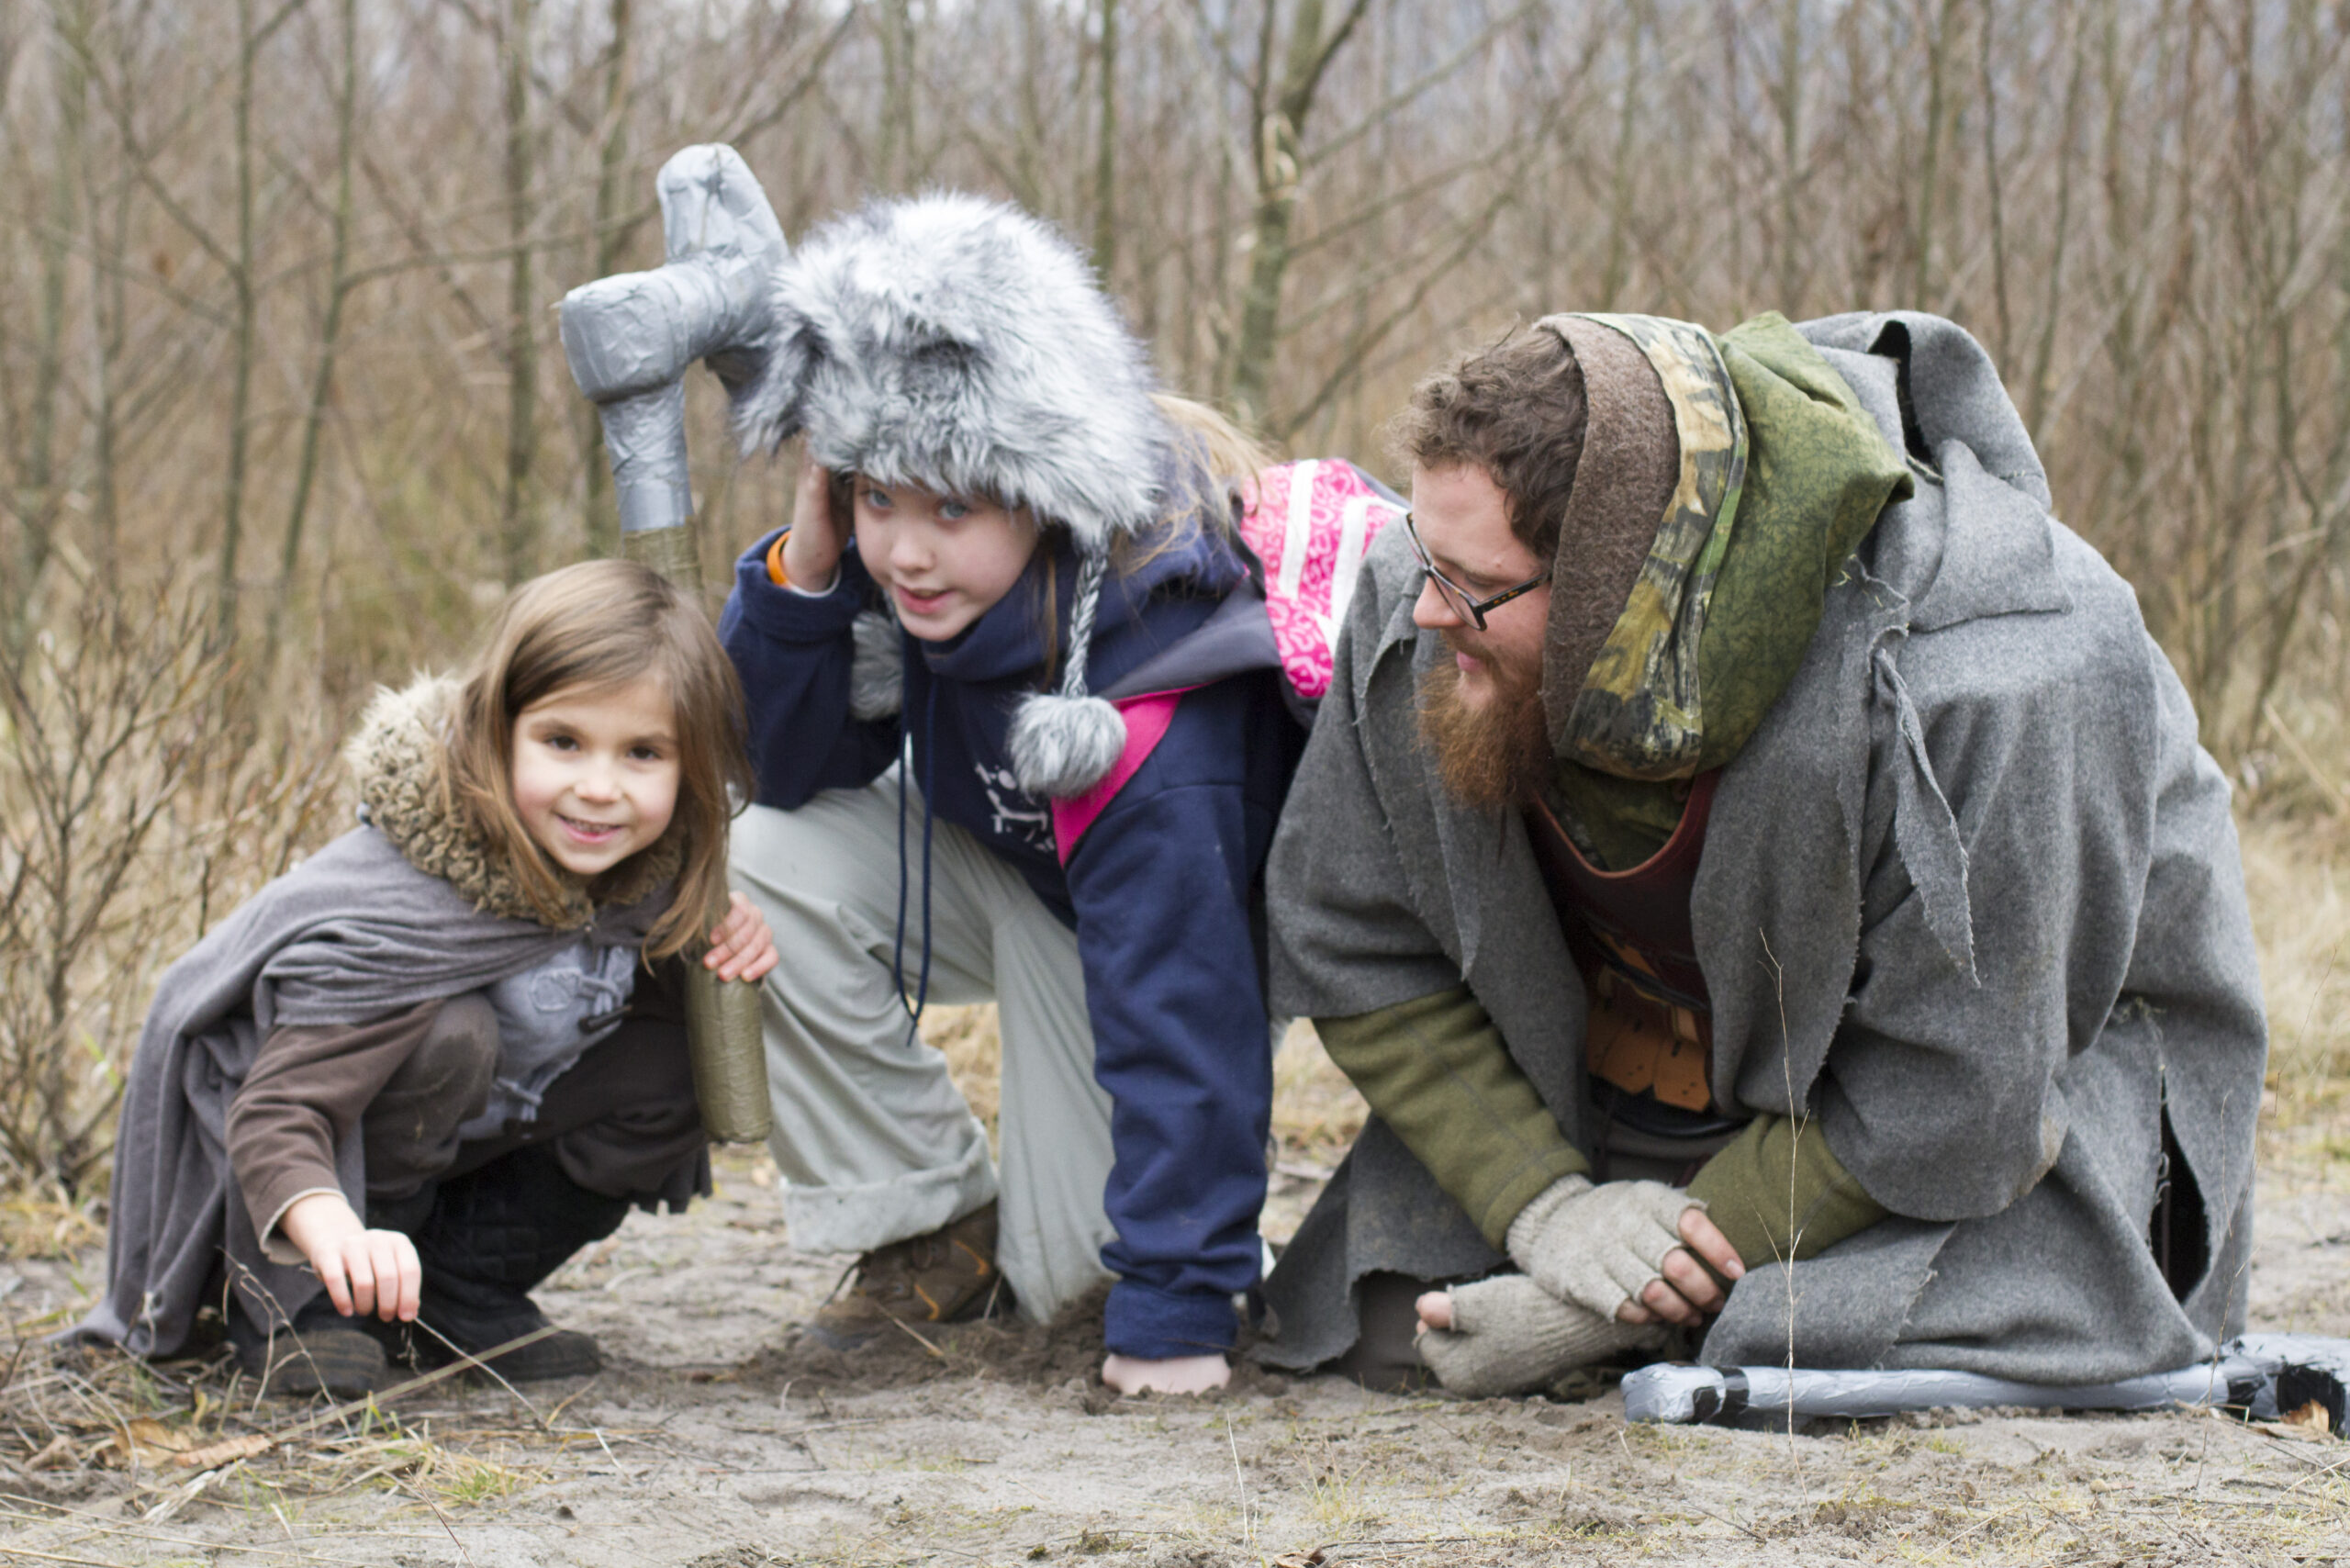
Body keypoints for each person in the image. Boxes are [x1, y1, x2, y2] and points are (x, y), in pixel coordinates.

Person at [1256, 309, 2266, 1396]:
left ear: (1616, 590)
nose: (1421, 608)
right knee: (1379, 1330)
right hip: (1626, 1093)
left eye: (1464, 585)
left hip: (2004, 1114)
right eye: (1424, 557)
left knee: (1850, 1348)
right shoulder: (1433, 588)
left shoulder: (1987, 671)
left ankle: (1688, 1309)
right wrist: (1546, 1213)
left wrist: (1596, 1305)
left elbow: (1960, 1093)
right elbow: (1349, 932)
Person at [719, 193, 1306, 1396]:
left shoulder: (1154, 691)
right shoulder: (913, 576)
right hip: (1007, 860)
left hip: (1148, 939)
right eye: (878, 495)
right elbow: (784, 770)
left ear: (1042, 486)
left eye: (950, 506)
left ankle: (1153, 1257)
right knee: (759, 854)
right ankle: (931, 1219)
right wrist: (811, 566)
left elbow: (1188, 1010)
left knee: (1080, 1297)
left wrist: (1175, 1313)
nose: (909, 553)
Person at [83, 560, 778, 1397]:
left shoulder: (642, 877)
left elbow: (670, 1016)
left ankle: (456, 1285)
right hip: (307, 1180)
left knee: (692, 1046)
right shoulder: (401, 893)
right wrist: (333, 1232)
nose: (599, 788)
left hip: (465, 1153)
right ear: (500, 729)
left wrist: (720, 944)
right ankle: (303, 1309)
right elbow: (276, 1110)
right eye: (563, 741)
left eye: (643, 753)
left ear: (689, 767)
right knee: (453, 1037)